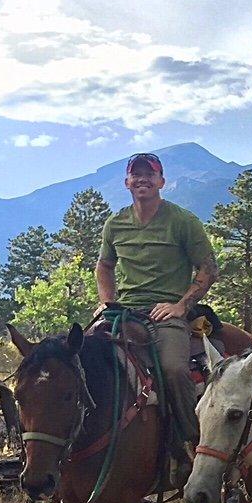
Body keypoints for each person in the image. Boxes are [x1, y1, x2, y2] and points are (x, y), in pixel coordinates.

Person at [95, 153, 219, 446]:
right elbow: (104, 265)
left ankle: (193, 444)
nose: (142, 180)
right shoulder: (115, 224)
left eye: (149, 175)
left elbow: (209, 268)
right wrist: (106, 301)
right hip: (123, 311)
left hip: (166, 313)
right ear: (127, 183)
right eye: (136, 175)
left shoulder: (182, 221)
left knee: (173, 370)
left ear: (161, 181)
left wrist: (180, 306)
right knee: (82, 358)